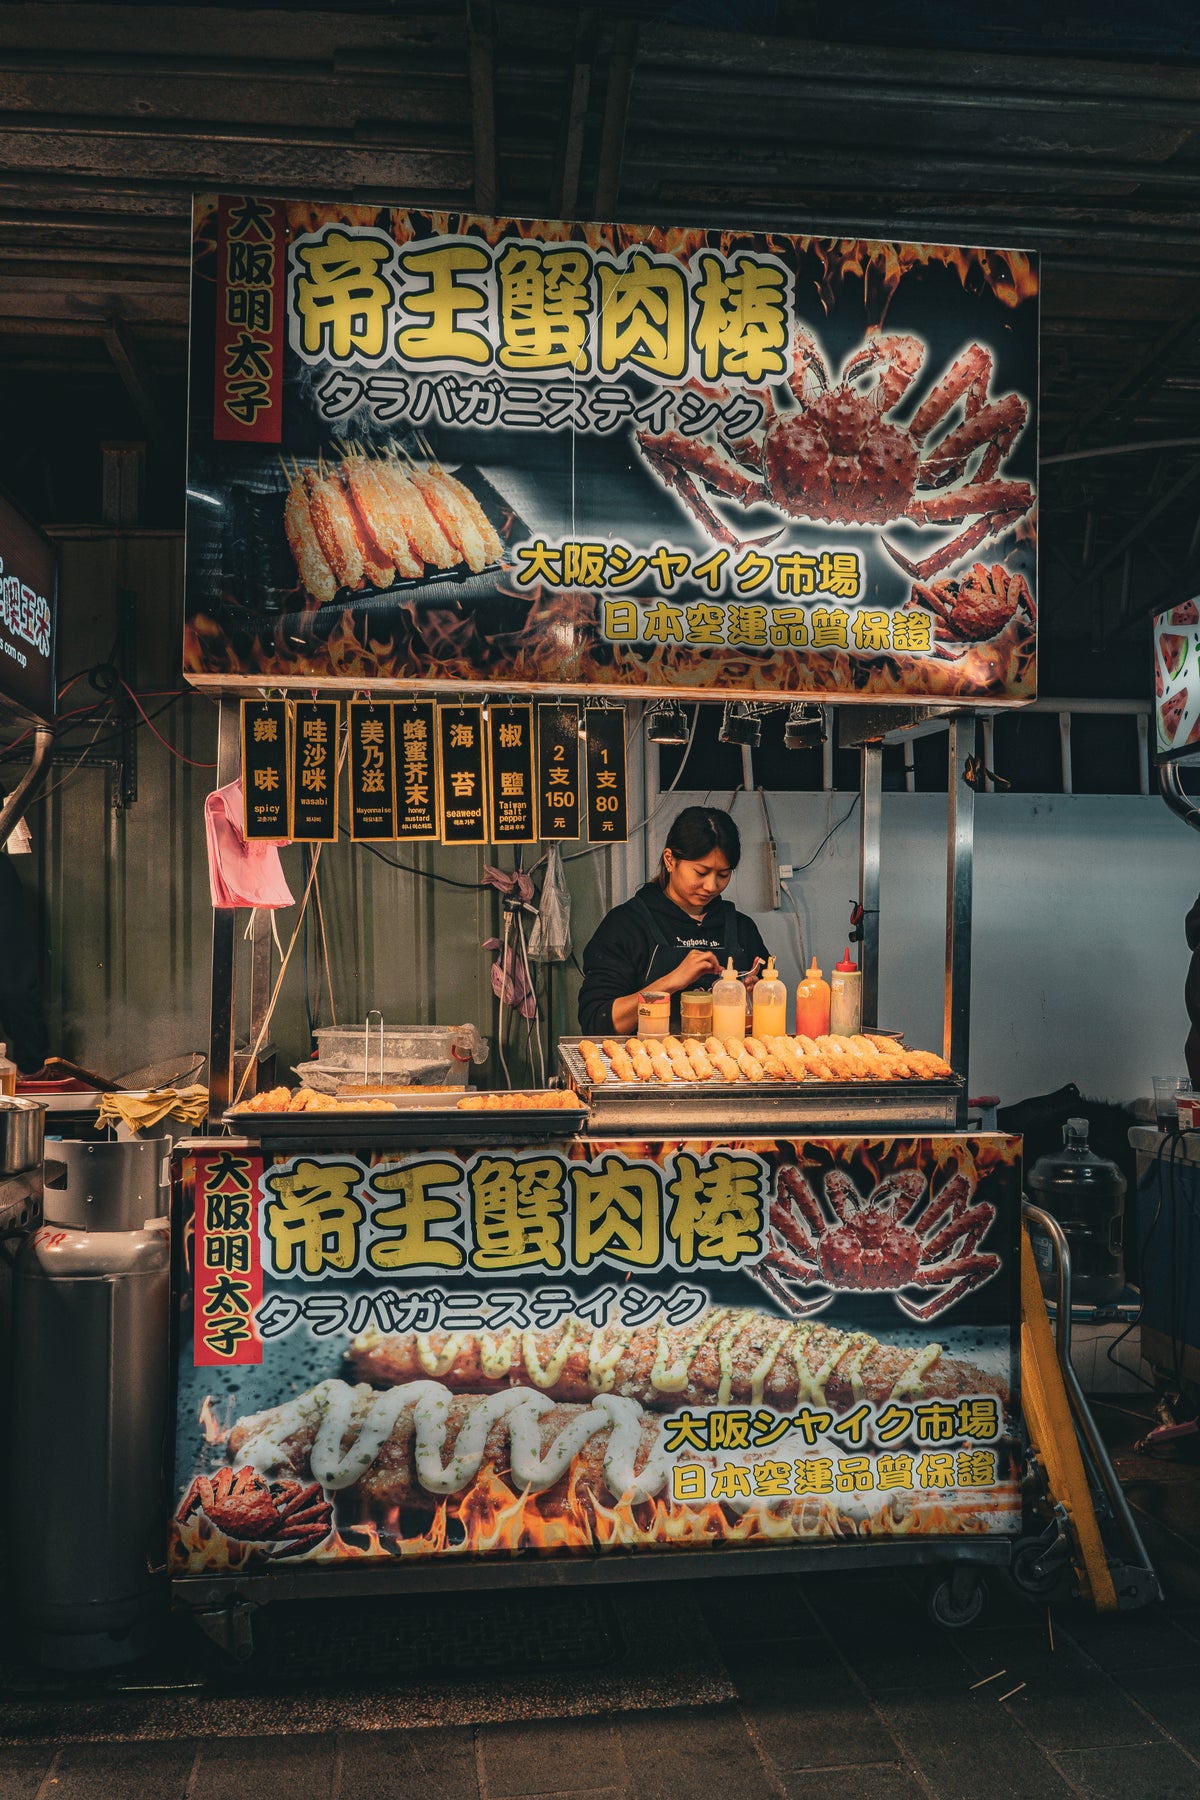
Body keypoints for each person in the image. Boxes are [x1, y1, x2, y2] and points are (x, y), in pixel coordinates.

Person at [577, 805, 771, 1037]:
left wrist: (755, 997)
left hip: (728, 1068)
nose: (711, 886)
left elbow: (767, 1025)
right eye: (701, 872)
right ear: (670, 860)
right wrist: (671, 982)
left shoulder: (742, 929)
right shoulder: (626, 926)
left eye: (723, 875)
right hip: (647, 1068)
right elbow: (597, 1022)